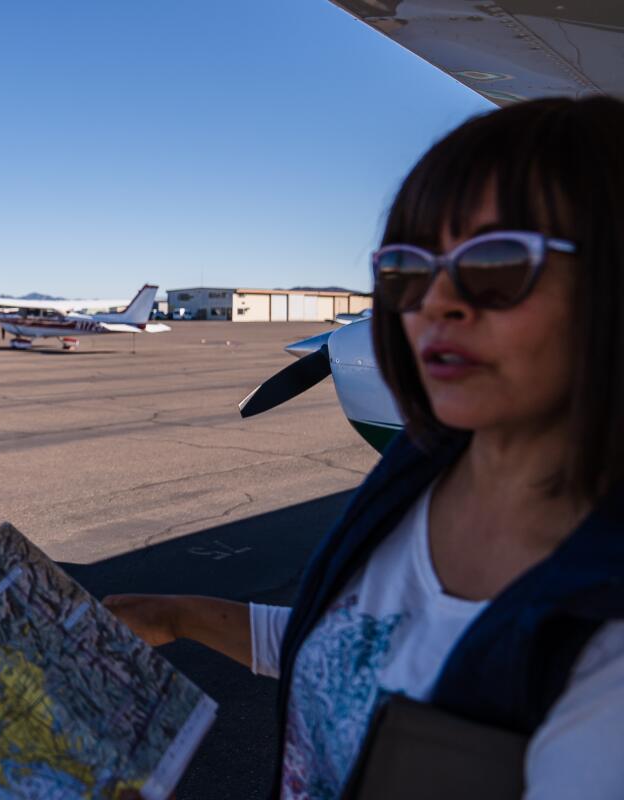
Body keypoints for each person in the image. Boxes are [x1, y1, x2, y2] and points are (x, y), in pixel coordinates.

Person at [106, 96, 624, 798]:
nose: (434, 302)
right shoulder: (425, 462)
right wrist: (178, 615)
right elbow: (355, 652)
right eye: (406, 272)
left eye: (497, 262)